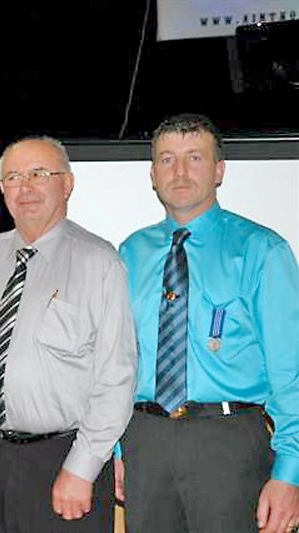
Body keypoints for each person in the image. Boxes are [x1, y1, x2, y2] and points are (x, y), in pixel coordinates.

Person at [118, 113, 299, 533]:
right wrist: (118, 451)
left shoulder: (260, 250)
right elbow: (119, 361)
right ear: (152, 173)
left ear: (219, 170)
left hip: (230, 443)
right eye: (166, 159)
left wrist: (289, 473)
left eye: (194, 157)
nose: (179, 172)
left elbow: (292, 372)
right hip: (145, 440)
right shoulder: (131, 253)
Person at [0, 136, 137, 532]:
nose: (26, 187)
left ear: (68, 184)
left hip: (62, 459)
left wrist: (83, 467)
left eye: (39, 174)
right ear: (2, 188)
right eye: (14, 177)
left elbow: (117, 377)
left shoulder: (99, 262)